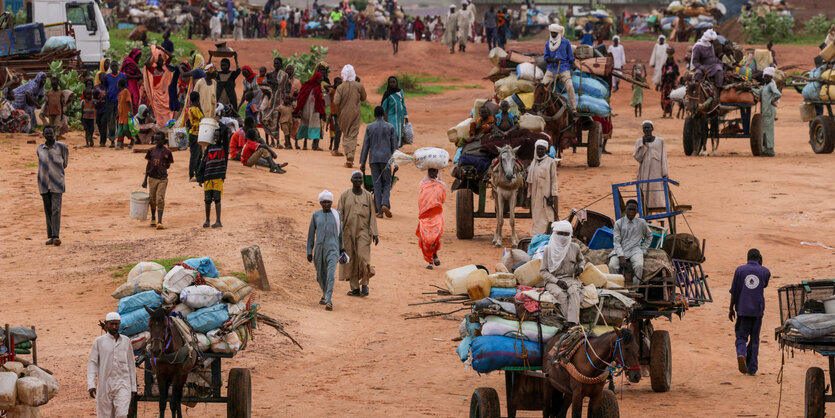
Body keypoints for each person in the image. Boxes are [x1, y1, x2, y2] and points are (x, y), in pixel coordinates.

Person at [729, 248, 770, 376]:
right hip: (757, 310)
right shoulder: (765, 271)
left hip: (742, 309)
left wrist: (731, 308)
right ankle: (752, 368)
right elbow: (763, 285)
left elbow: (734, 291)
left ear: (747, 258)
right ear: (759, 258)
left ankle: (741, 354)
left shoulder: (740, 270)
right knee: (754, 340)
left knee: (741, 336)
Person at [87, 312, 136, 418]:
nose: (114, 327)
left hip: (123, 385)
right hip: (104, 386)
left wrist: (133, 388)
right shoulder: (99, 342)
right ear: (106, 324)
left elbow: (131, 365)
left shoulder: (126, 341)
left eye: (116, 324)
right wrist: (91, 385)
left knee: (122, 415)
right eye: (111, 324)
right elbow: (92, 363)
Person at [338, 171, 379, 297]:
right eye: (355, 178)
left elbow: (372, 215)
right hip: (348, 232)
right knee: (351, 260)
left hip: (363, 231)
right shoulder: (344, 195)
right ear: (351, 180)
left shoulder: (367, 196)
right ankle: (355, 288)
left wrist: (375, 233)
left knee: (363, 258)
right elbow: (339, 215)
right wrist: (338, 233)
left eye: (360, 179)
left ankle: (365, 283)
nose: (358, 181)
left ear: (362, 181)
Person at [541, 220, 586, 325]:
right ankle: (569, 323)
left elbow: (581, 261)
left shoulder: (575, 247)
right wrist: (557, 281)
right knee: (561, 295)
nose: (563, 236)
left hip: (571, 279)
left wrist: (581, 268)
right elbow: (543, 271)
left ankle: (573, 324)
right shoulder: (548, 249)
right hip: (553, 280)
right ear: (555, 234)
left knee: (574, 293)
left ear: (570, 235)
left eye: (566, 234)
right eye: (560, 233)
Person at [307, 190, 344, 311]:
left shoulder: (337, 214)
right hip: (319, 249)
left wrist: (342, 248)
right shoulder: (316, 215)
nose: (327, 204)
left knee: (330, 274)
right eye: (324, 202)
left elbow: (341, 234)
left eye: (329, 202)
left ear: (332, 202)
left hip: (333, 249)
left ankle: (329, 300)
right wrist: (309, 250)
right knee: (320, 275)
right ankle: (324, 293)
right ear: (321, 203)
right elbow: (311, 234)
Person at [360, 106, 398, 217]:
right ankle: (385, 203)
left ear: (375, 115)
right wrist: (395, 163)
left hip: (373, 159)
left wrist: (362, 162)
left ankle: (380, 213)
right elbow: (394, 147)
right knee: (387, 183)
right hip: (386, 159)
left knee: (376, 184)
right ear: (383, 114)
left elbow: (365, 145)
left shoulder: (369, 127)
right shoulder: (390, 127)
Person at [608, 199, 652, 284]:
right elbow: (616, 242)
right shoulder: (618, 223)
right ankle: (616, 289)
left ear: (637, 211)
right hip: (621, 249)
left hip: (635, 250)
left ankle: (635, 289)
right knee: (612, 266)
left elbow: (649, 236)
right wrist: (621, 256)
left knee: (639, 266)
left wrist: (643, 249)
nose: (631, 212)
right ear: (626, 209)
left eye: (634, 209)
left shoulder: (641, 222)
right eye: (630, 209)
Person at [37, 126, 67, 246]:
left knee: (56, 209)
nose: (49, 135)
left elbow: (65, 163)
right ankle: (51, 236)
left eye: (51, 133)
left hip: (57, 183)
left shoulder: (62, 147)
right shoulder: (39, 148)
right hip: (43, 183)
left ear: (55, 133)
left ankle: (56, 236)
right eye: (46, 133)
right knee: (48, 210)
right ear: (43, 135)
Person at [334, 65, 367, 167]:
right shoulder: (359, 86)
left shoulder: (340, 87)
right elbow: (364, 98)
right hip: (355, 113)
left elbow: (336, 101)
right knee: (352, 135)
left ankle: (349, 156)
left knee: (346, 134)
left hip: (343, 114)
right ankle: (350, 156)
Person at [197, 126, 229, 228]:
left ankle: (218, 221)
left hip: (218, 177)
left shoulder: (223, 148)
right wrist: (200, 177)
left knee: (217, 199)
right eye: (215, 136)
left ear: (221, 137)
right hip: (208, 176)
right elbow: (203, 162)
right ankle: (207, 220)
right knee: (207, 200)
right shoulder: (209, 148)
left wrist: (219, 123)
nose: (216, 138)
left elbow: (226, 131)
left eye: (218, 136)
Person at [633, 121, 668, 211]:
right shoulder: (639, 142)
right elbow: (638, 158)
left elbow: (663, 157)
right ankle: (646, 218)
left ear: (652, 129)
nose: (646, 130)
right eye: (644, 128)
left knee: (657, 195)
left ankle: (661, 219)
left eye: (648, 128)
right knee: (644, 194)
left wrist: (665, 173)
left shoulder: (660, 141)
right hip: (644, 172)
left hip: (657, 172)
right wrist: (643, 145)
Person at [142, 132, 174, 229]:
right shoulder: (151, 151)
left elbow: (168, 165)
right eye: (155, 139)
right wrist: (144, 179)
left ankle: (160, 221)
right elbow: (148, 165)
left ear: (164, 140)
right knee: (152, 199)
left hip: (162, 179)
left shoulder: (167, 152)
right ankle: (153, 218)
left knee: (159, 199)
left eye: (158, 139)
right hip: (152, 178)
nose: (156, 141)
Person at [542, 24, 576, 113]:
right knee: (543, 86)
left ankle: (573, 108)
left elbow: (570, 57)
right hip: (551, 69)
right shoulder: (547, 44)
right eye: (551, 33)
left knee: (570, 86)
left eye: (555, 33)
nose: (553, 34)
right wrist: (553, 60)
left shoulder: (566, 42)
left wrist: (573, 64)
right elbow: (546, 58)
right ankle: (541, 107)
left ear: (558, 33)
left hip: (564, 68)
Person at [527, 139, 558, 236]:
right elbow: (530, 182)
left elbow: (554, 180)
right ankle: (536, 235)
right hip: (535, 196)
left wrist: (552, 195)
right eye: (538, 149)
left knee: (547, 215)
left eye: (542, 149)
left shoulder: (551, 162)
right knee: (536, 215)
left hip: (546, 195)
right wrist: (529, 195)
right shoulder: (533, 162)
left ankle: (546, 234)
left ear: (546, 150)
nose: (540, 151)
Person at [417, 168, 446, 269]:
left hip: (436, 215)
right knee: (426, 239)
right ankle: (430, 261)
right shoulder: (423, 185)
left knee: (436, 238)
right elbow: (420, 200)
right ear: (428, 173)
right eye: (431, 171)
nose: (433, 173)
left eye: (435, 171)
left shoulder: (441, 186)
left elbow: (442, 199)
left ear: (437, 173)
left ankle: (434, 255)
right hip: (425, 215)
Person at [143, 46, 175, 127]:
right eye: (159, 59)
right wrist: (153, 53)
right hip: (156, 95)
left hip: (166, 94)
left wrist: (162, 49)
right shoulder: (153, 69)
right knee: (158, 113)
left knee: (168, 112)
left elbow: (171, 56)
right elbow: (146, 63)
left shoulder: (166, 67)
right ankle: (160, 128)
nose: (161, 61)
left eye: (162, 59)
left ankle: (168, 128)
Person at [294, 72, 327, 151]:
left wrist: (321, 111)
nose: (320, 81)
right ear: (316, 78)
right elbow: (301, 98)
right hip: (306, 109)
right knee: (306, 124)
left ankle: (315, 145)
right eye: (320, 79)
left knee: (315, 125)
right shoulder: (307, 86)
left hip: (315, 110)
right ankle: (305, 145)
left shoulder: (318, 87)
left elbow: (319, 101)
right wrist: (299, 109)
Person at [755, 67, 781, 157]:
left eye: (767, 77)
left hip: (769, 110)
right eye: (764, 77)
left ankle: (770, 150)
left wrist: (771, 100)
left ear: (771, 77)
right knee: (764, 130)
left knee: (769, 130)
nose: (765, 78)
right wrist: (750, 89)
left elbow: (778, 94)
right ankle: (765, 149)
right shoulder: (765, 86)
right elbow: (758, 91)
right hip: (765, 111)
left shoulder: (771, 85)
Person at [102, 62, 126, 147]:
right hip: (110, 101)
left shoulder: (122, 76)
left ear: (118, 66)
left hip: (120, 101)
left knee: (120, 121)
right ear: (110, 67)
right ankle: (112, 140)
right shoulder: (107, 77)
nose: (114, 67)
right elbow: (105, 88)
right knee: (111, 121)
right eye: (113, 66)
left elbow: (126, 87)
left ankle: (120, 140)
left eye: (116, 65)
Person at [381, 76, 408, 148]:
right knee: (394, 133)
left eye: (394, 82)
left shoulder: (400, 92)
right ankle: (393, 148)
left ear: (396, 83)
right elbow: (383, 106)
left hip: (400, 117)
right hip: (391, 117)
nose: (392, 84)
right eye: (390, 82)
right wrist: (381, 117)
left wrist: (406, 117)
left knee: (400, 134)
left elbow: (403, 104)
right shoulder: (387, 94)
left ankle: (397, 149)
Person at [187, 91, 204, 181]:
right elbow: (202, 118)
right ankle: (193, 174)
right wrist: (200, 106)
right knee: (195, 155)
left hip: (194, 133)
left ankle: (196, 173)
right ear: (198, 99)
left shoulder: (190, 108)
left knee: (197, 154)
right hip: (196, 134)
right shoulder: (195, 109)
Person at [659, 46, 680, 119]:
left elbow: (677, 74)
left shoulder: (674, 66)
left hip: (671, 84)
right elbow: (663, 75)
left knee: (671, 98)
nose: (670, 60)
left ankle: (670, 114)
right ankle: (665, 113)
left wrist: (671, 73)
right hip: (666, 84)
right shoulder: (665, 66)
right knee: (664, 99)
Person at [120, 49, 142, 114]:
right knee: (131, 102)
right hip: (129, 86)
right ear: (134, 56)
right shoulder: (128, 62)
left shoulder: (132, 62)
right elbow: (125, 75)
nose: (139, 59)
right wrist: (138, 76)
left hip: (133, 86)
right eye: (138, 57)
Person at [116, 78, 134, 149]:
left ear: (120, 85)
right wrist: (117, 114)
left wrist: (131, 111)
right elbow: (119, 105)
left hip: (126, 114)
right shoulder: (119, 94)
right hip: (121, 115)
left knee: (126, 129)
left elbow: (129, 101)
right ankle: (120, 144)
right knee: (120, 130)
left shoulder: (126, 91)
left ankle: (132, 139)